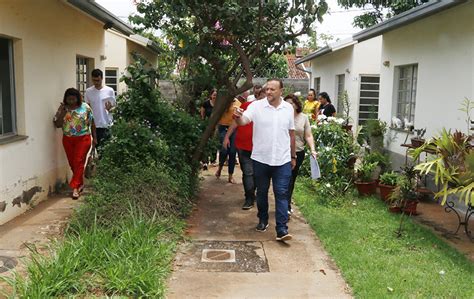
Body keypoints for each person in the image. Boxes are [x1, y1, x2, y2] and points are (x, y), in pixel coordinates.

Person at [234, 79, 296, 242]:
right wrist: (237, 117)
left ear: (281, 91)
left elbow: (291, 133)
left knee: (281, 193)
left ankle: (282, 230)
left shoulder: (288, 108)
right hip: (261, 159)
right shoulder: (256, 106)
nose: (268, 92)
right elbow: (243, 121)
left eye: (272, 89)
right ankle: (263, 220)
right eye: (267, 89)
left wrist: (293, 155)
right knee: (261, 192)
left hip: (282, 160)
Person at [222, 88, 266, 210]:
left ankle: (252, 193)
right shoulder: (247, 106)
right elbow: (235, 122)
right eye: (262, 96)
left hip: (261, 148)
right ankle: (249, 198)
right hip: (244, 146)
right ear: (257, 96)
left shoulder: (271, 111)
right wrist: (227, 137)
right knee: (248, 172)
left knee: (257, 174)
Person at [53, 88, 96, 200]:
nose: (71, 101)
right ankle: (80, 183)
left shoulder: (85, 107)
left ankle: (75, 188)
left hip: (83, 138)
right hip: (68, 139)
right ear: (66, 99)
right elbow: (57, 124)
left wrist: (94, 138)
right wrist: (62, 111)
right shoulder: (63, 108)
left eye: (73, 99)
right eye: (69, 99)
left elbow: (92, 123)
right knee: (73, 163)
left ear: (78, 98)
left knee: (79, 160)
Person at [284, 94, 317, 215]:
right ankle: (284, 204)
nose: (288, 106)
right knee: (285, 179)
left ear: (296, 104)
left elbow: (308, 135)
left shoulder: (303, 118)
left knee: (291, 179)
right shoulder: (281, 116)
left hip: (298, 152)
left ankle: (286, 204)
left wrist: (312, 149)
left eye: (291, 103)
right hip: (283, 152)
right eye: (286, 103)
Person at [85, 69, 116, 149]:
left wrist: (110, 108)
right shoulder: (88, 92)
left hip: (107, 124)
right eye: (94, 80)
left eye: (98, 80)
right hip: (94, 126)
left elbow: (114, 107)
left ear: (102, 78)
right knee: (96, 150)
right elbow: (87, 108)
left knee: (107, 150)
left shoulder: (109, 90)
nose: (96, 82)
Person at [215, 96, 241, 183]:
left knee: (233, 152)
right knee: (224, 150)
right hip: (223, 127)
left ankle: (230, 175)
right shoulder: (222, 102)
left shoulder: (238, 103)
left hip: (234, 128)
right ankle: (220, 168)